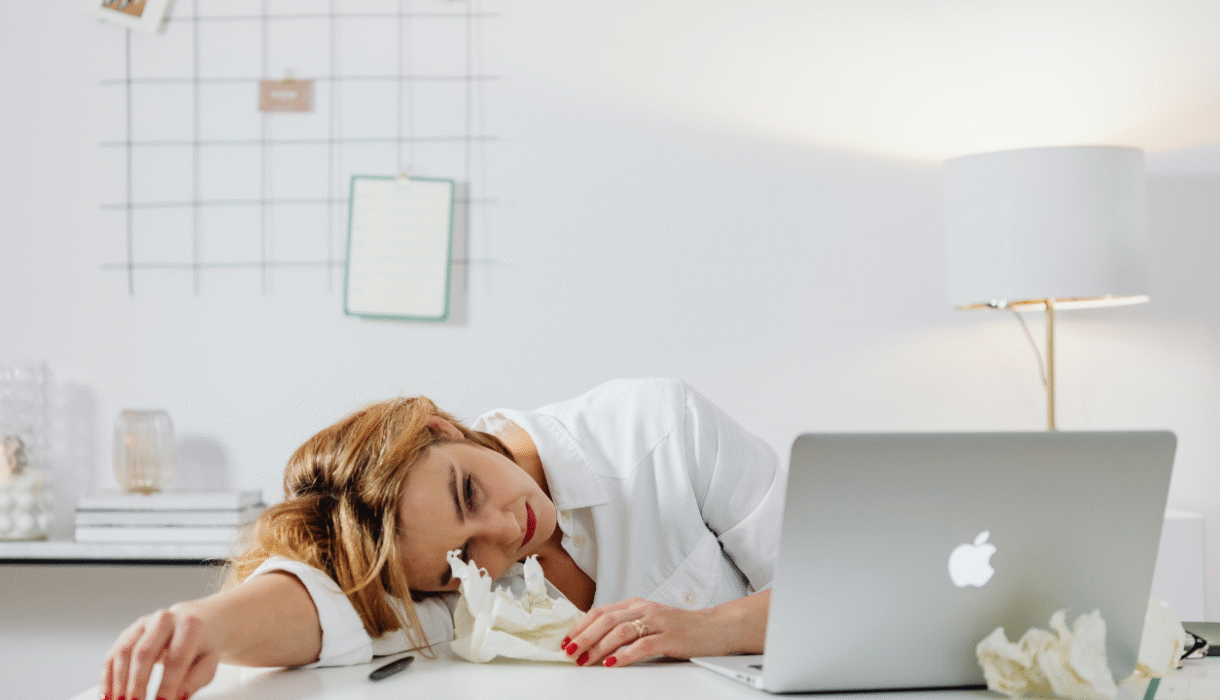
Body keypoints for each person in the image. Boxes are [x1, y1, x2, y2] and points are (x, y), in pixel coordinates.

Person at [101, 378, 786, 700]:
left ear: (440, 429)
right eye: (463, 560)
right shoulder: (446, 585)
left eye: (469, 491)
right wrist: (202, 629)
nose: (503, 534)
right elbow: (328, 608)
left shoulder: (657, 428)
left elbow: (862, 591)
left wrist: (706, 628)